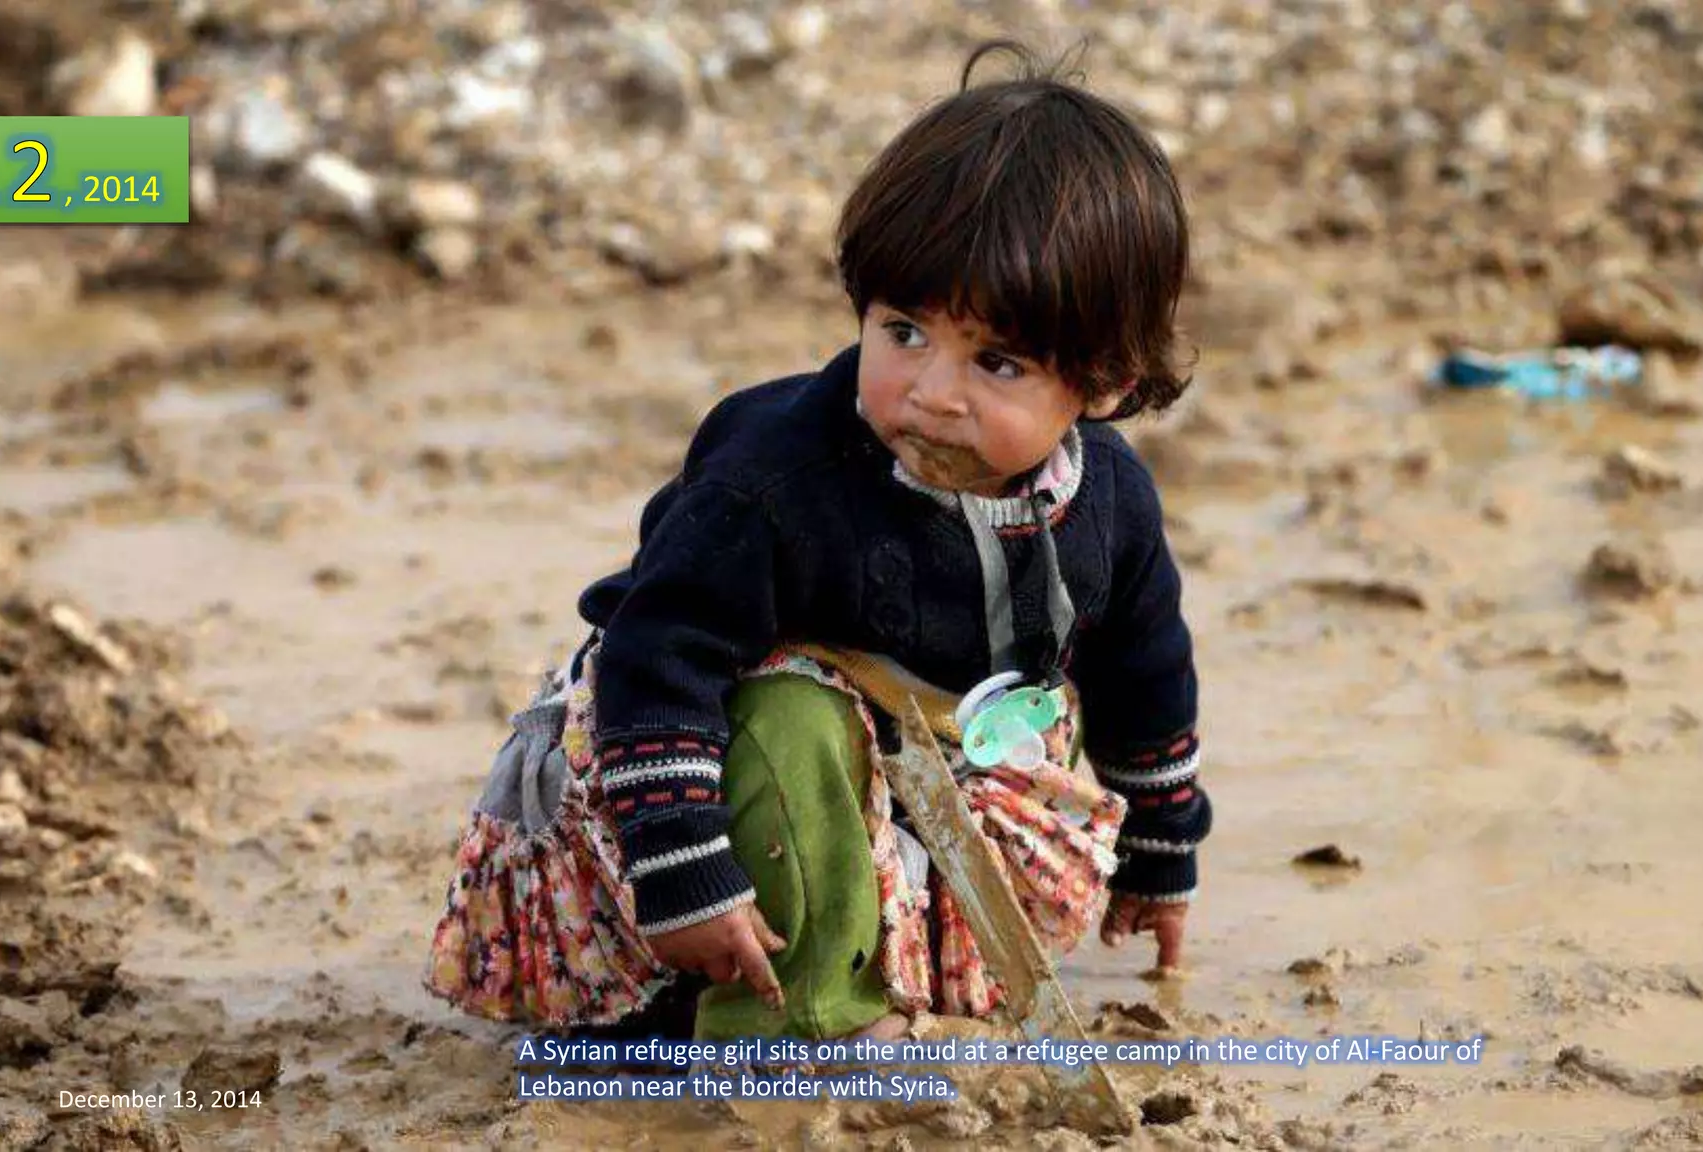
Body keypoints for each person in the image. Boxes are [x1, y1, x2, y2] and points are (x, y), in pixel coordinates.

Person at [424, 39, 1213, 1046]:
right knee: (794, 713)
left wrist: (1157, 848)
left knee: (1027, 714)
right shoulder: (775, 480)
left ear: (1100, 385)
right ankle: (789, 1028)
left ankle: (879, 975)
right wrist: (682, 872)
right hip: (676, 782)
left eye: (998, 362)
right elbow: (655, 660)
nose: (932, 390)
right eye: (904, 332)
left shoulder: (1107, 504)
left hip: (916, 774)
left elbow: (1145, 677)